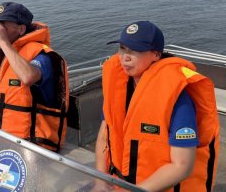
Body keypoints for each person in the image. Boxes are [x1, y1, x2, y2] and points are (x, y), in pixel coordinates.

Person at [94, 21, 219, 192]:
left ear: (156, 55)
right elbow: (104, 135)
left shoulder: (177, 99)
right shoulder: (119, 89)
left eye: (135, 50)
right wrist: (100, 181)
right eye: (122, 48)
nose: (125, 57)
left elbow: (182, 165)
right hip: (120, 184)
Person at [0, 2, 69, 152]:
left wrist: (3, 41)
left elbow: (28, 76)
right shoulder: (4, 56)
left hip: (34, 146)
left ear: (21, 29)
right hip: (2, 138)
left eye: (2, 25)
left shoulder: (43, 56)